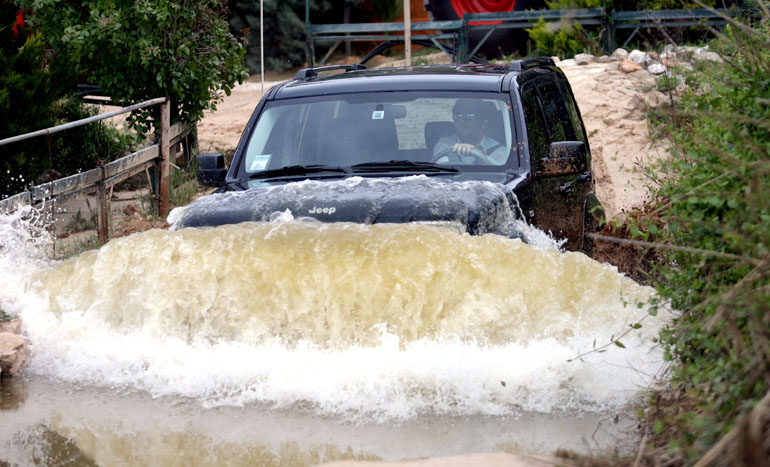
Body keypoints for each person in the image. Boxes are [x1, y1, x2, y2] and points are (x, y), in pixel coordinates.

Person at [432, 99, 508, 165]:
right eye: (457, 116)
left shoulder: (499, 150)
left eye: (469, 115)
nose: (462, 120)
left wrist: (480, 155)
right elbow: (442, 169)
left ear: (484, 123)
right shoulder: (445, 144)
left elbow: (504, 175)